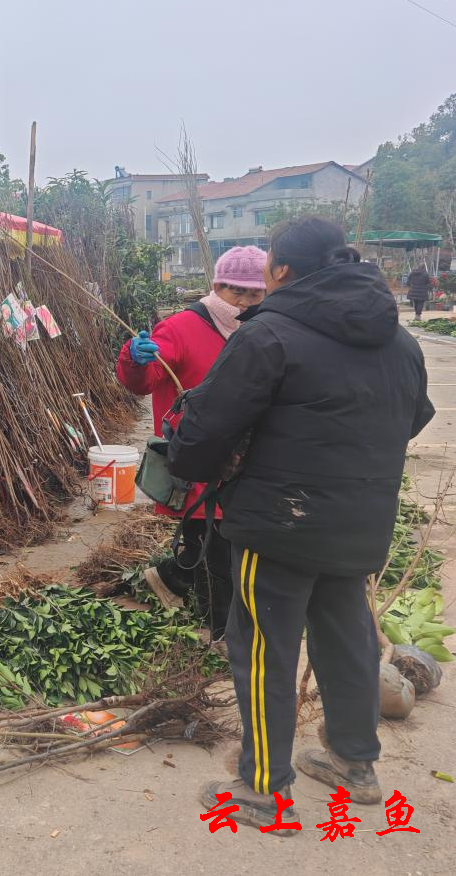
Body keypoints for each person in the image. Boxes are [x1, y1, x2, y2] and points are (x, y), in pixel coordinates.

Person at [168, 217, 433, 832]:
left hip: (277, 525)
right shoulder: (399, 341)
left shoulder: (270, 334)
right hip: (360, 522)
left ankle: (263, 789)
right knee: (348, 640)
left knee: (264, 650)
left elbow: (205, 432)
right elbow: (414, 417)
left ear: (281, 270)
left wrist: (196, 463)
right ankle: (355, 765)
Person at [116, 245, 268, 638]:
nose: (246, 301)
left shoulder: (263, 331)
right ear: (217, 286)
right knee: (214, 549)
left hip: (247, 462)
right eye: (237, 291)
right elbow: (144, 382)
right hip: (199, 461)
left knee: (224, 546)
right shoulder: (181, 328)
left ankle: (171, 577)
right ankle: (220, 635)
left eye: (256, 293)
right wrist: (135, 359)